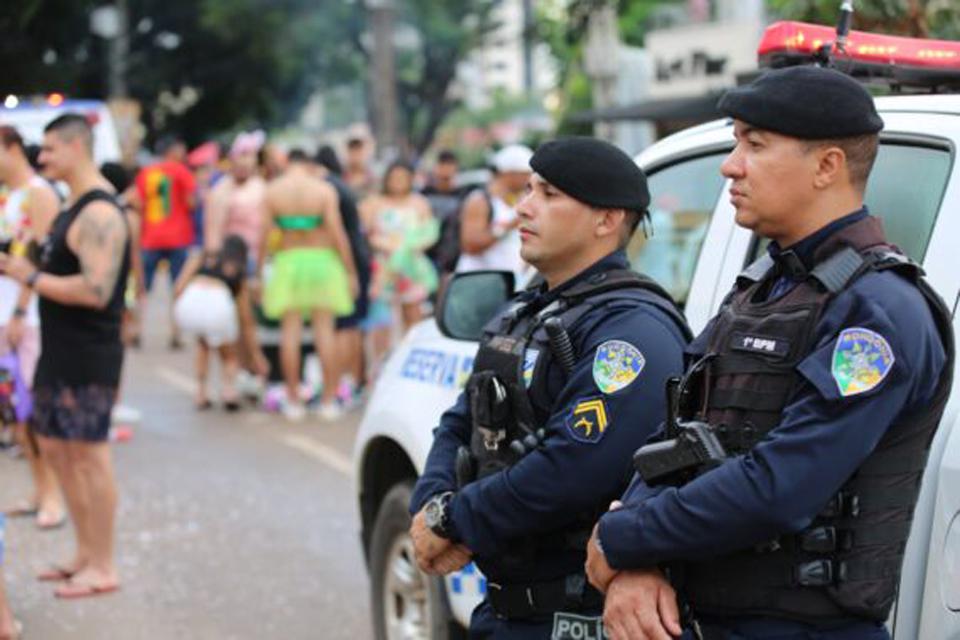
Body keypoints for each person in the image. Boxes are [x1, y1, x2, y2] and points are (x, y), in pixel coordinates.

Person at [586, 66, 954, 640]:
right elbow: (675, 439)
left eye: (754, 144)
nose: (731, 164)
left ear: (827, 166)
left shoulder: (878, 311)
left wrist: (624, 538)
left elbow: (782, 485)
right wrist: (638, 556)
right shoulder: (762, 289)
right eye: (735, 141)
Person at [409, 137, 691, 638]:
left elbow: (572, 468)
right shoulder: (529, 311)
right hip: (504, 611)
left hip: (577, 617)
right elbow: (460, 420)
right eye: (528, 190)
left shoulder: (631, 330)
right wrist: (432, 506)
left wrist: (456, 521)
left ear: (607, 220)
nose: (524, 207)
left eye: (549, 194)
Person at [0, 113, 131, 599]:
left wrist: (29, 277)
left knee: (90, 456)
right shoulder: (70, 206)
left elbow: (96, 290)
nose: (43, 157)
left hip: (88, 354)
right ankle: (83, 552)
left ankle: (104, 563)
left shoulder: (100, 212)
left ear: (76, 147)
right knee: (56, 448)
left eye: (51, 149)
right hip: (58, 349)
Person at [262, 149, 358, 421]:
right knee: (324, 332)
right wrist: (350, 271)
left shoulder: (273, 191)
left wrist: (258, 271)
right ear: (308, 164)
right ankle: (328, 401)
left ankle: (293, 401)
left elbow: (265, 236)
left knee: (289, 333)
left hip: (289, 262)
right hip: (322, 262)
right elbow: (338, 234)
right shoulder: (323, 190)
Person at [0, 125, 64, 530]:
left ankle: (54, 494)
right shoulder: (8, 196)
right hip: (5, 315)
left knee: (36, 410)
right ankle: (39, 489)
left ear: (12, 148)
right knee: (16, 411)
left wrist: (22, 311)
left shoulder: (40, 193)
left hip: (30, 318)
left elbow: (44, 255)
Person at [360, 161, 438, 372]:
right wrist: (386, 246)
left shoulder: (419, 203)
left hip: (411, 269)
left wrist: (407, 248)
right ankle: (380, 369)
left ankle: (413, 365)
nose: (398, 183)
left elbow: (429, 233)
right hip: (384, 270)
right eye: (394, 178)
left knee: (413, 318)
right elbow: (366, 234)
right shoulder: (374, 202)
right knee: (381, 321)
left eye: (403, 178)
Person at [173, 234, 267, 410]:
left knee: (203, 344)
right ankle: (229, 391)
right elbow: (246, 319)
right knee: (229, 354)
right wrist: (256, 354)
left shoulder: (201, 257)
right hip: (218, 304)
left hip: (190, 301)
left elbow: (178, 287)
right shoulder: (239, 273)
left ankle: (200, 392)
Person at [315, 145, 372, 409]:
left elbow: (338, 235)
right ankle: (350, 383)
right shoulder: (340, 185)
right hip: (358, 256)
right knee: (350, 325)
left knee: (343, 326)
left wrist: (348, 271)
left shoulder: (328, 188)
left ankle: (341, 385)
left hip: (347, 260)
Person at [133, 135, 197, 350]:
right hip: (178, 237)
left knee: (142, 287)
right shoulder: (182, 172)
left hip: (150, 237)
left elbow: (138, 203)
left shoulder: (145, 173)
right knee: (178, 287)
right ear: (173, 150)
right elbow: (191, 202)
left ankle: (136, 330)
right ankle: (176, 333)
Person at [456, 144, 533, 283]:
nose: (530, 178)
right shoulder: (480, 201)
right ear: (509, 173)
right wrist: (508, 226)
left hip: (511, 283)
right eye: (526, 174)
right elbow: (470, 245)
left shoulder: (521, 200)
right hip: (478, 284)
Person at [342, 136, 377, 201]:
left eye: (358, 150)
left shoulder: (372, 178)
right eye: (352, 149)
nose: (355, 154)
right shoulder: (340, 176)